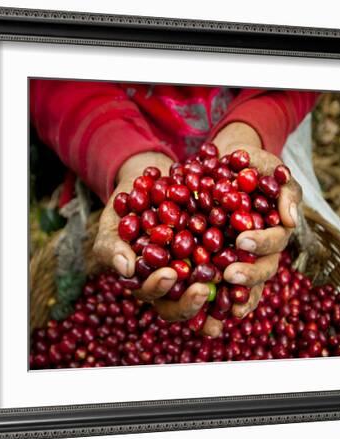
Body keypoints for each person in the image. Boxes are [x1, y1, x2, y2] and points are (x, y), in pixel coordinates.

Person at [30, 81, 320, 336]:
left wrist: (253, 127)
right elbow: (50, 80)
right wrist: (125, 158)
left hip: (254, 118)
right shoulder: (174, 213)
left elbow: (308, 58)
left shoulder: (212, 201)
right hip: (107, 138)